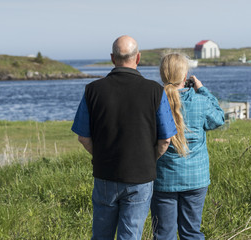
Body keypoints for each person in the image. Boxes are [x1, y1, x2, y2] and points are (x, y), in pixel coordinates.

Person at [71, 35, 178, 240]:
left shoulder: (92, 90)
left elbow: (83, 137)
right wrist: (150, 158)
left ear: (112, 58)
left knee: (101, 235)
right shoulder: (155, 91)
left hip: (105, 174)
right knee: (130, 236)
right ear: (137, 58)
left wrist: (101, 154)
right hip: (140, 177)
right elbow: (166, 139)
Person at [151, 53, 225, 240]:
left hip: (163, 178)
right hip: (196, 177)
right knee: (191, 232)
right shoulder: (200, 102)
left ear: (162, 76)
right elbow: (219, 119)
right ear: (185, 77)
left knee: (163, 234)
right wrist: (202, 89)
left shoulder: (153, 102)